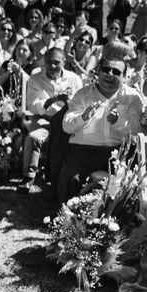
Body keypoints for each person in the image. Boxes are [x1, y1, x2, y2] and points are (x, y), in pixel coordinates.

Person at [58, 55, 144, 204]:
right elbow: (67, 126)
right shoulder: (83, 94)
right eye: (106, 69)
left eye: (116, 72)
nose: (110, 74)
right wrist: (83, 117)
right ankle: (68, 222)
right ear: (98, 71)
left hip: (120, 151)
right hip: (84, 151)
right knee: (71, 179)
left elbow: (138, 128)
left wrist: (118, 121)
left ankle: (119, 222)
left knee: (133, 183)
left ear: (124, 76)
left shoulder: (132, 97)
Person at [20, 48, 82, 192]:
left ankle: (63, 176)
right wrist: (50, 101)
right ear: (44, 62)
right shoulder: (35, 79)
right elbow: (32, 106)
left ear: (64, 62)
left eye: (56, 62)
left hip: (67, 120)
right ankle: (28, 177)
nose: (52, 66)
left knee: (75, 140)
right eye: (49, 62)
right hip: (45, 119)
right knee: (33, 137)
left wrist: (68, 100)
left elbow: (80, 104)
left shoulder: (74, 79)